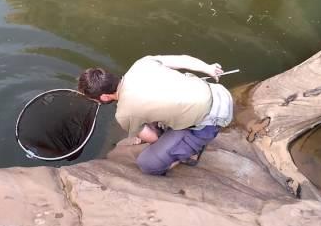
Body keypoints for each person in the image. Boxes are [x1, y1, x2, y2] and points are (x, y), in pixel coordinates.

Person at [77, 55, 233, 176]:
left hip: (215, 117)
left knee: (147, 164)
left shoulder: (124, 114)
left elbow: (154, 139)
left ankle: (187, 151)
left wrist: (144, 134)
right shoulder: (142, 64)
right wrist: (208, 68)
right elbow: (183, 59)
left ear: (104, 97)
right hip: (218, 91)